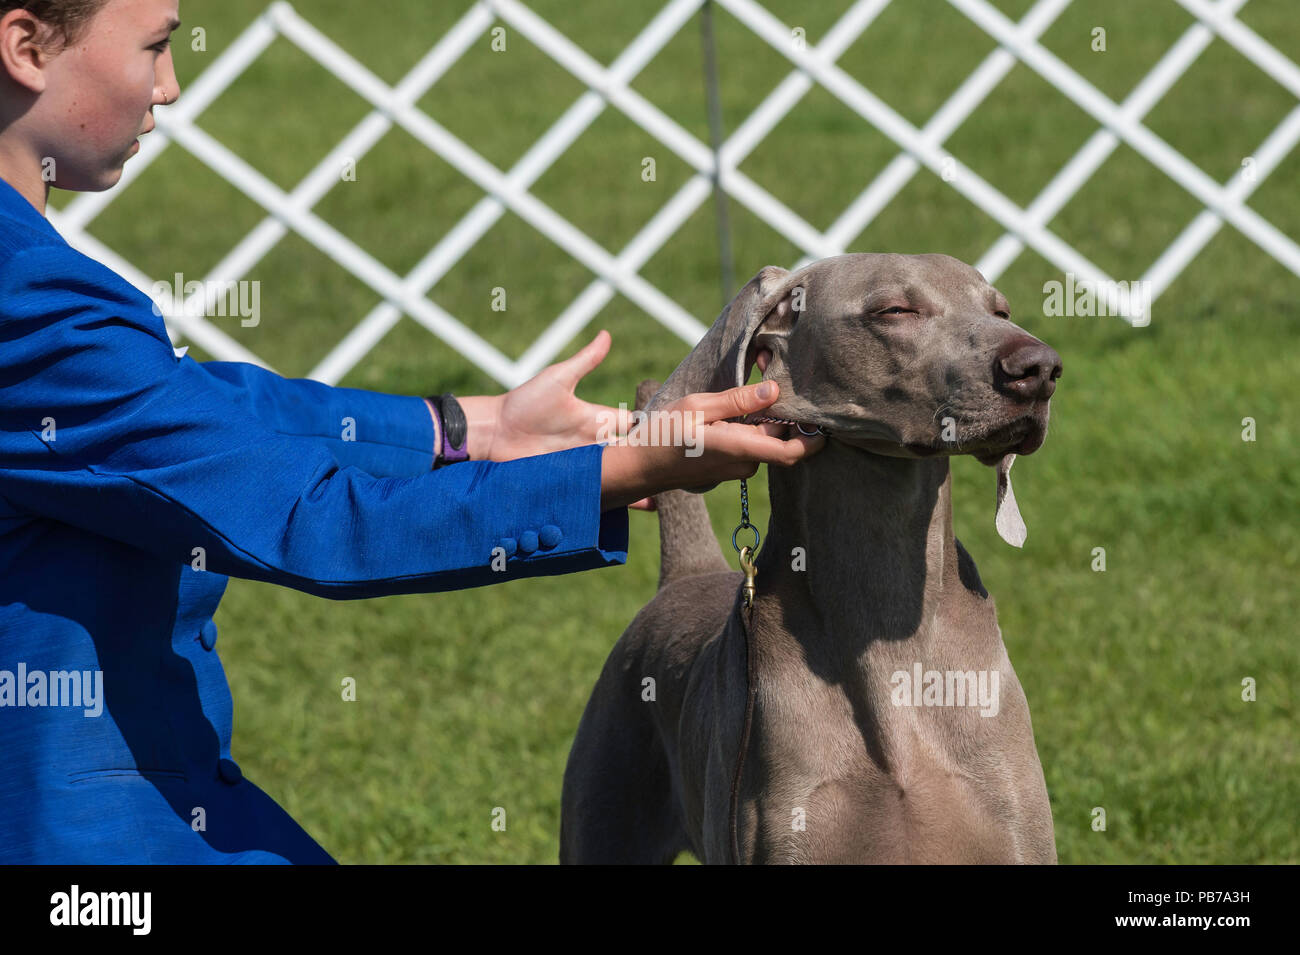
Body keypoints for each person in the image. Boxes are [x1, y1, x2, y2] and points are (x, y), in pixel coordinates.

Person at [0, 0, 824, 863]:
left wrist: (476, 427)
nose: (170, 85)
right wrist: (611, 472)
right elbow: (320, 524)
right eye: (155, 46)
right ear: (24, 46)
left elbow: (198, 407)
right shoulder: (32, 301)